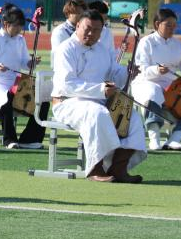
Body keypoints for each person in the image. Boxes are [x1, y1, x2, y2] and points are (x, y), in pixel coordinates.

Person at [51, 10, 146, 183]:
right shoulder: (66, 49)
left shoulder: (102, 50)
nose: (91, 33)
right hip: (67, 102)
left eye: (96, 30)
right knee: (97, 113)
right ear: (78, 26)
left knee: (132, 117)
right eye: (87, 28)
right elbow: (67, 85)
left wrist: (128, 72)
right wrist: (101, 90)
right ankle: (96, 168)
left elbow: (115, 73)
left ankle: (118, 168)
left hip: (99, 101)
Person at [132, 8, 181, 150]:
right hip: (145, 83)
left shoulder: (179, 45)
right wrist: (156, 70)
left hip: (171, 88)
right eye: (168, 25)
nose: (172, 29)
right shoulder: (146, 42)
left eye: (174, 26)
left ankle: (174, 140)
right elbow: (140, 69)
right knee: (153, 91)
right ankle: (154, 140)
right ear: (157, 24)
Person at [0, 6, 46, 149]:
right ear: (6, 24)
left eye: (21, 26)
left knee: (42, 101)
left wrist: (31, 63)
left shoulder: (20, 40)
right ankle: (9, 139)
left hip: (16, 82)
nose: (19, 29)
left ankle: (29, 139)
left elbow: (24, 62)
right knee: (5, 99)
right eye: (16, 25)